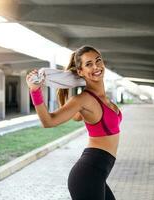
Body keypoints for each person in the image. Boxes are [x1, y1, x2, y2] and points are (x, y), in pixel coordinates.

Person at [26, 45, 123, 200]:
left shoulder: (102, 99)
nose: (96, 66)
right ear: (80, 72)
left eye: (98, 61)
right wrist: (35, 91)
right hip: (88, 175)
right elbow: (48, 121)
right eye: (88, 64)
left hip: (98, 175)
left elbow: (77, 117)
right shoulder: (83, 99)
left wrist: (69, 86)